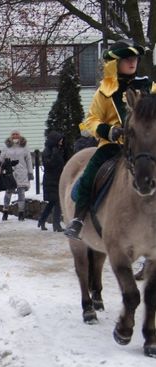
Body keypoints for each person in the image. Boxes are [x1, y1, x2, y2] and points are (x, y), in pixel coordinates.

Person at [65, 40, 156, 239]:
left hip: (145, 144)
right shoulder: (104, 92)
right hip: (114, 145)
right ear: (115, 63)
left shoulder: (149, 86)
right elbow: (90, 120)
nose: (133, 63)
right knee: (90, 172)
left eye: (135, 59)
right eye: (127, 59)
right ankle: (79, 218)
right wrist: (109, 131)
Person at [1, 130, 33, 221]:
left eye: (17, 134)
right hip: (10, 172)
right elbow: (1, 159)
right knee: (8, 192)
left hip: (22, 172)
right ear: (11, 136)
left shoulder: (25, 146)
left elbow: (29, 160)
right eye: (13, 134)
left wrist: (30, 172)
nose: (15, 136)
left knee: (21, 193)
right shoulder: (6, 146)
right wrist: (3, 167)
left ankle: (21, 213)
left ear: (19, 136)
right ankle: (5, 211)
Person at [38, 131, 65, 232]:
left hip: (58, 179)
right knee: (56, 202)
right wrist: (55, 154)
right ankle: (56, 225)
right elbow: (49, 165)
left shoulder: (58, 149)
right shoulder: (48, 151)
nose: (62, 142)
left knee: (52, 202)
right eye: (60, 140)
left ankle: (42, 220)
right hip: (51, 180)